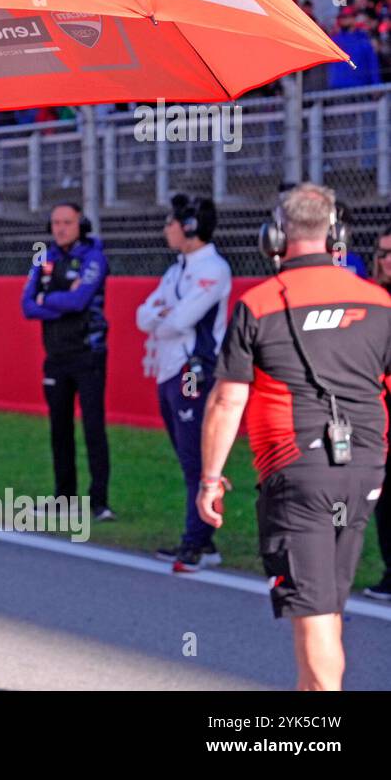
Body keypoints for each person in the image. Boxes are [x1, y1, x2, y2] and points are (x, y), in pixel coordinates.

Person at [200, 183, 391, 690]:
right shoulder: (378, 301)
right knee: (326, 603)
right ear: (337, 235)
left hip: (298, 473)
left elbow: (226, 400)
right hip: (365, 470)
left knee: (313, 609)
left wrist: (210, 479)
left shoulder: (259, 304)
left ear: (275, 236)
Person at [136, 195, 232, 572]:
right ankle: (201, 539)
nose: (167, 228)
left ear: (189, 226)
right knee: (187, 458)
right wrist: (164, 314)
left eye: (171, 222)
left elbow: (179, 320)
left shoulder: (214, 268)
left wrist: (164, 315)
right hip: (168, 369)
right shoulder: (177, 269)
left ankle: (197, 543)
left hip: (194, 371)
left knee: (197, 460)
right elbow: (143, 316)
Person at [21, 202, 114, 521]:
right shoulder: (44, 257)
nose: (60, 228)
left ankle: (99, 502)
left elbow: (80, 300)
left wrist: (49, 300)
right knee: (59, 430)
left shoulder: (94, 256)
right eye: (56, 222)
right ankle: (65, 499)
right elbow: (27, 305)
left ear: (81, 224)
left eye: (67, 222)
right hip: (56, 357)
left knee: (93, 428)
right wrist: (55, 302)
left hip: (88, 355)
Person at [365, 224, 391, 601]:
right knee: (383, 497)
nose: (387, 260)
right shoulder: (369, 298)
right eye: (383, 253)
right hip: (377, 414)